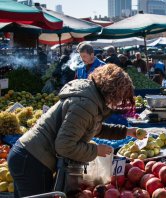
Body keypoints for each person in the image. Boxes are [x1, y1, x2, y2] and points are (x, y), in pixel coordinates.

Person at [7, 64, 142, 197]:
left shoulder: (91, 97)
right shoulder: (86, 104)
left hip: (28, 156)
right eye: (121, 97)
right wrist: (96, 151)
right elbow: (64, 146)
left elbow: (94, 127)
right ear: (113, 91)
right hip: (32, 161)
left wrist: (127, 132)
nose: (120, 102)